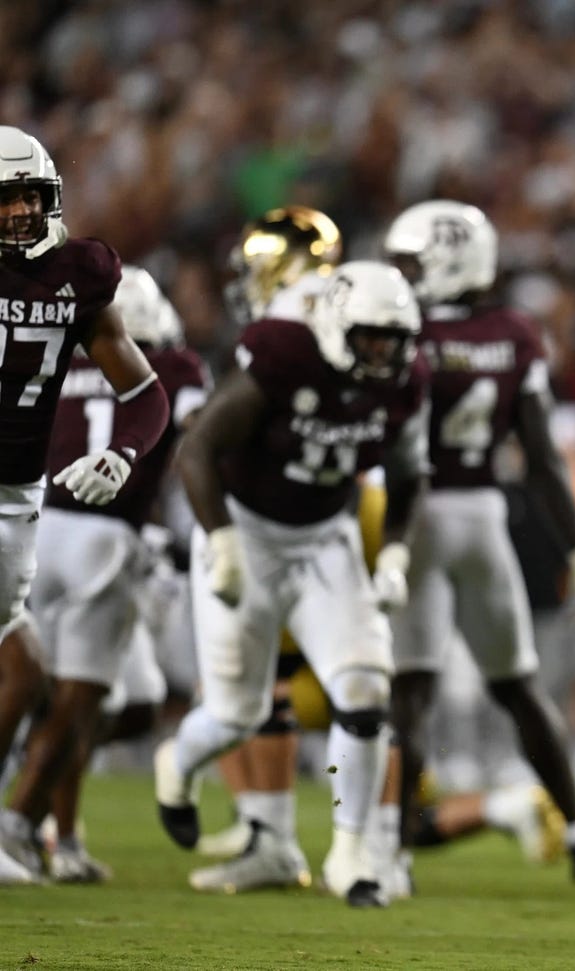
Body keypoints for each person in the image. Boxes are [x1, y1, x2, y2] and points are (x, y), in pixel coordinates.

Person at [156, 260, 429, 908]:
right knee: (236, 712)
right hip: (244, 532)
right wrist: (220, 540)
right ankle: (179, 761)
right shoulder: (285, 356)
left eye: (393, 338)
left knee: (365, 688)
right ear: (337, 326)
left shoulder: (406, 381)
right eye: (370, 336)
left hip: (323, 539)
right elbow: (195, 451)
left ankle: (352, 852)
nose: (382, 351)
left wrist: (392, 552)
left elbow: (408, 472)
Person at [382, 199, 575, 882]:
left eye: (413, 261)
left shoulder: (405, 329)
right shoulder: (514, 332)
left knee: (412, 689)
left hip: (416, 514)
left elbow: (393, 446)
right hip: (485, 514)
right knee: (518, 684)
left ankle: (391, 852)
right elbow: (540, 456)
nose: (403, 274)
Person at [0, 126, 171, 883]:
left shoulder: (78, 276)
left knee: (25, 672)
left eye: (29, 198)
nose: (18, 215)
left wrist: (122, 452)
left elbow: (144, 392)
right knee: (22, 670)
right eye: (3, 201)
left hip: (18, 497)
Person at [0, 267, 206, 883]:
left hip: (37, 527)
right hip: (107, 539)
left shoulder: (55, 353)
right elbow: (193, 428)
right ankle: (20, 826)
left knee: (37, 684)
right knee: (77, 701)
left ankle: (57, 837)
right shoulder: (171, 366)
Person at [186, 206, 342, 895]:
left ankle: (286, 835)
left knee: (268, 677)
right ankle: (264, 826)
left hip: (306, 514)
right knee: (249, 678)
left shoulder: (295, 322)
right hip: (311, 506)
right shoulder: (336, 310)